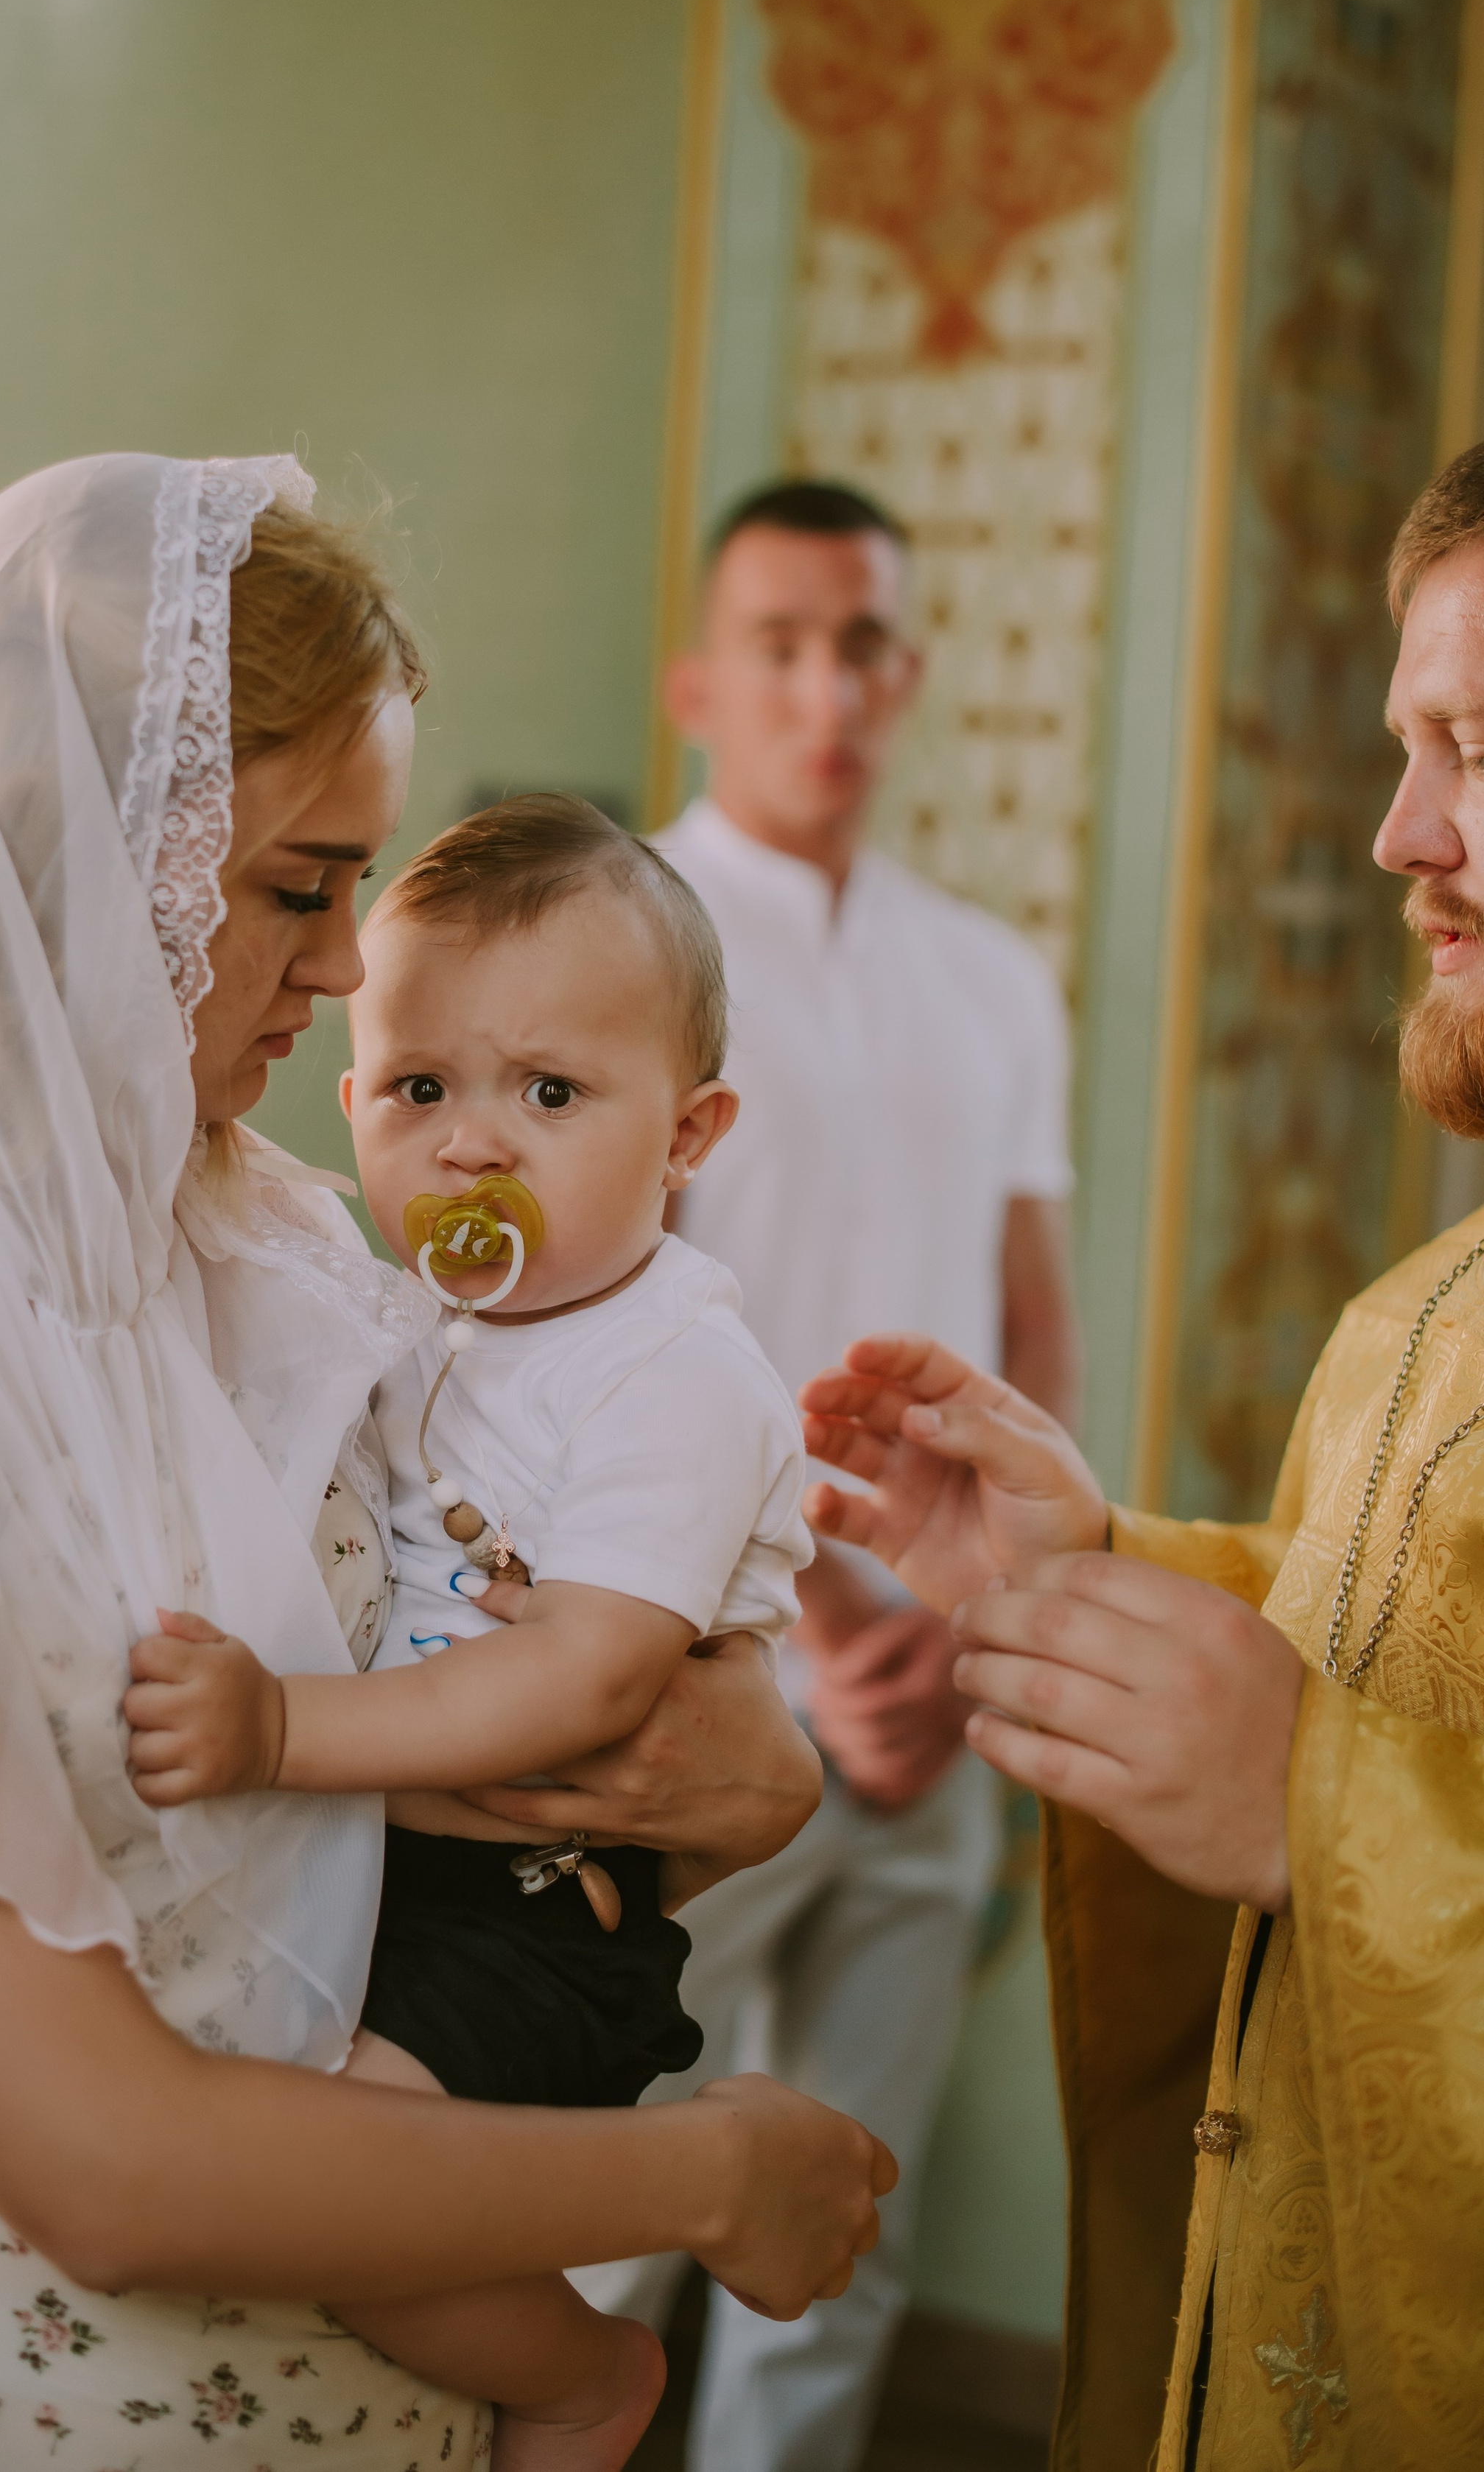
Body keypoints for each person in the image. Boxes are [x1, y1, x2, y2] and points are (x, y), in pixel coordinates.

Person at [0, 450, 891, 2470]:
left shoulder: (254, 1228)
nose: (351, 965)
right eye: (301, 883)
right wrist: (706, 2180)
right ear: (77, 852)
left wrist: (755, 1757)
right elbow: (101, 2164)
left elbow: (594, 1651)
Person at [798, 440, 1484, 2471]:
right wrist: (1099, 1566)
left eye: (1474, 743)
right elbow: (1394, 1662)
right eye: (1406, 742)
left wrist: (1322, 1816)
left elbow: (1349, 1762)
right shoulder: (1417, 1317)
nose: (1397, 830)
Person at [126, 792, 834, 2468]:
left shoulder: (673, 1369)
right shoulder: (411, 1319)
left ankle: (582, 2377)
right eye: (420, 1088)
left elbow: (593, 1668)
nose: (470, 1144)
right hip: (381, 1881)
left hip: (532, 1916)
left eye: (551, 1093)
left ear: (688, 1132)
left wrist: (280, 1731)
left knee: (332, 2184)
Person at [575, 477, 1081, 2471]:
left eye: (863, 641)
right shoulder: (621, 946)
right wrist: (816, 1619)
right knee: (598, 2220)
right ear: (704, 679)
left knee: (840, 2234)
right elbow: (587, 1329)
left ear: (912, 670)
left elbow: (1033, 1320)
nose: (828, 687)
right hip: (685, 1669)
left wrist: (976, 1627)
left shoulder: (992, 976)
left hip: (938, 1692)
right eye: (781, 643)